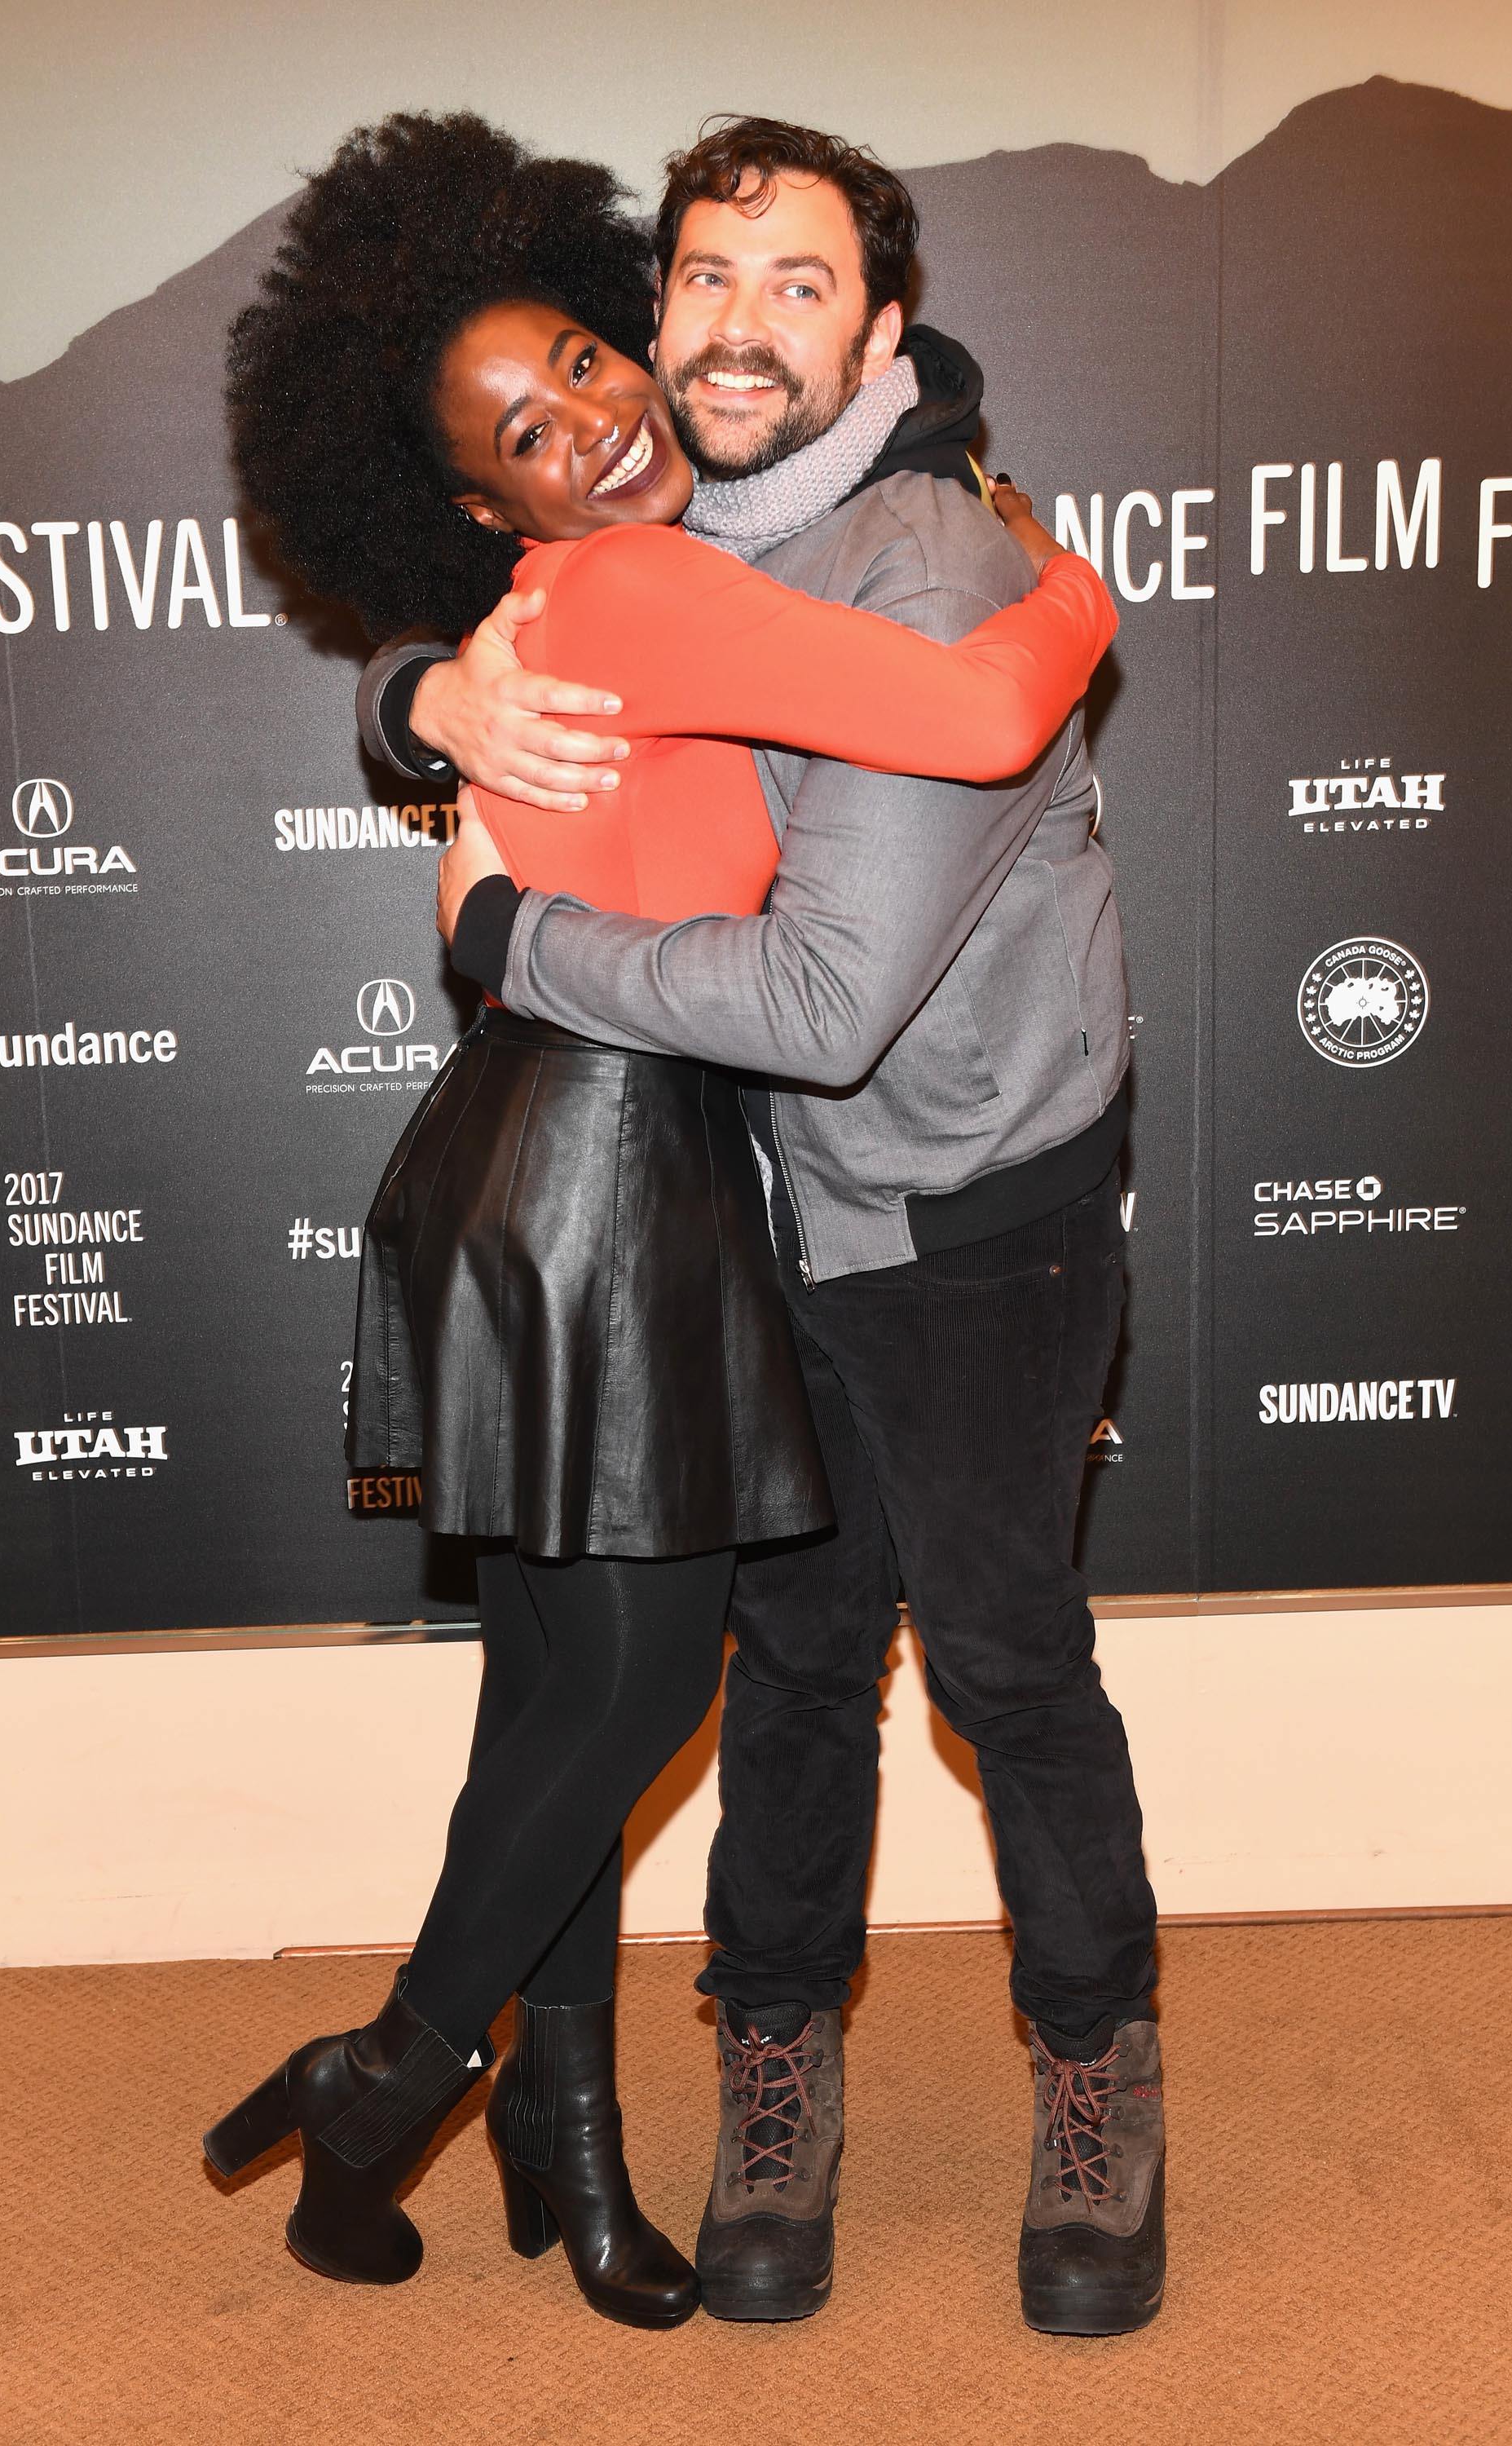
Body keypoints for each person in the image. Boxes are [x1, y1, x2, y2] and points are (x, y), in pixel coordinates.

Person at [203, 111, 1114, 2332]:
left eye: (592, 367)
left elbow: (845, 778)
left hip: (619, 1164)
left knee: (576, 1703)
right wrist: (1071, 567)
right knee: (619, 1708)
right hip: (611, 1170)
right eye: (534, 423)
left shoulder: (657, 571)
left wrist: (428, 725)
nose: (612, 408)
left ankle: (567, 2142)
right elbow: (994, 699)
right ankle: (396, 2067)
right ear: (482, 496)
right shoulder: (636, 581)